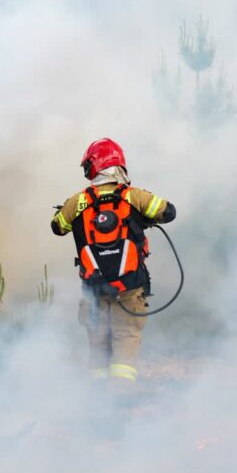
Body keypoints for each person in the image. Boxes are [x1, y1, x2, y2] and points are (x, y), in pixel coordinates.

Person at [51, 138, 176, 386]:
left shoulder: (78, 202)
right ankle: (120, 398)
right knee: (125, 339)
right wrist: (143, 218)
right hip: (129, 287)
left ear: (94, 167)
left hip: (94, 288)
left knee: (98, 345)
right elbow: (168, 212)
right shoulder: (133, 196)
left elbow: (58, 227)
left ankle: (97, 401)